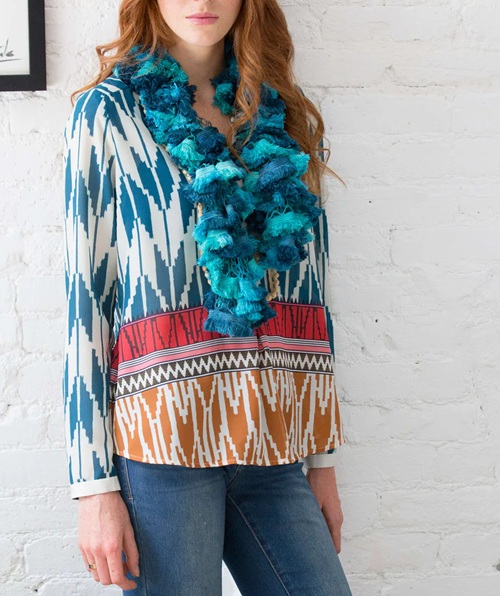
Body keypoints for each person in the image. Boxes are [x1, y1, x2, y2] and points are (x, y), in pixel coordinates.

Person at [62, 1, 352, 594]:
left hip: (274, 439)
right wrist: (92, 488)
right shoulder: (110, 113)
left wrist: (321, 459)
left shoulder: (281, 112)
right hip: (162, 443)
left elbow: (312, 286)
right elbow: (86, 298)